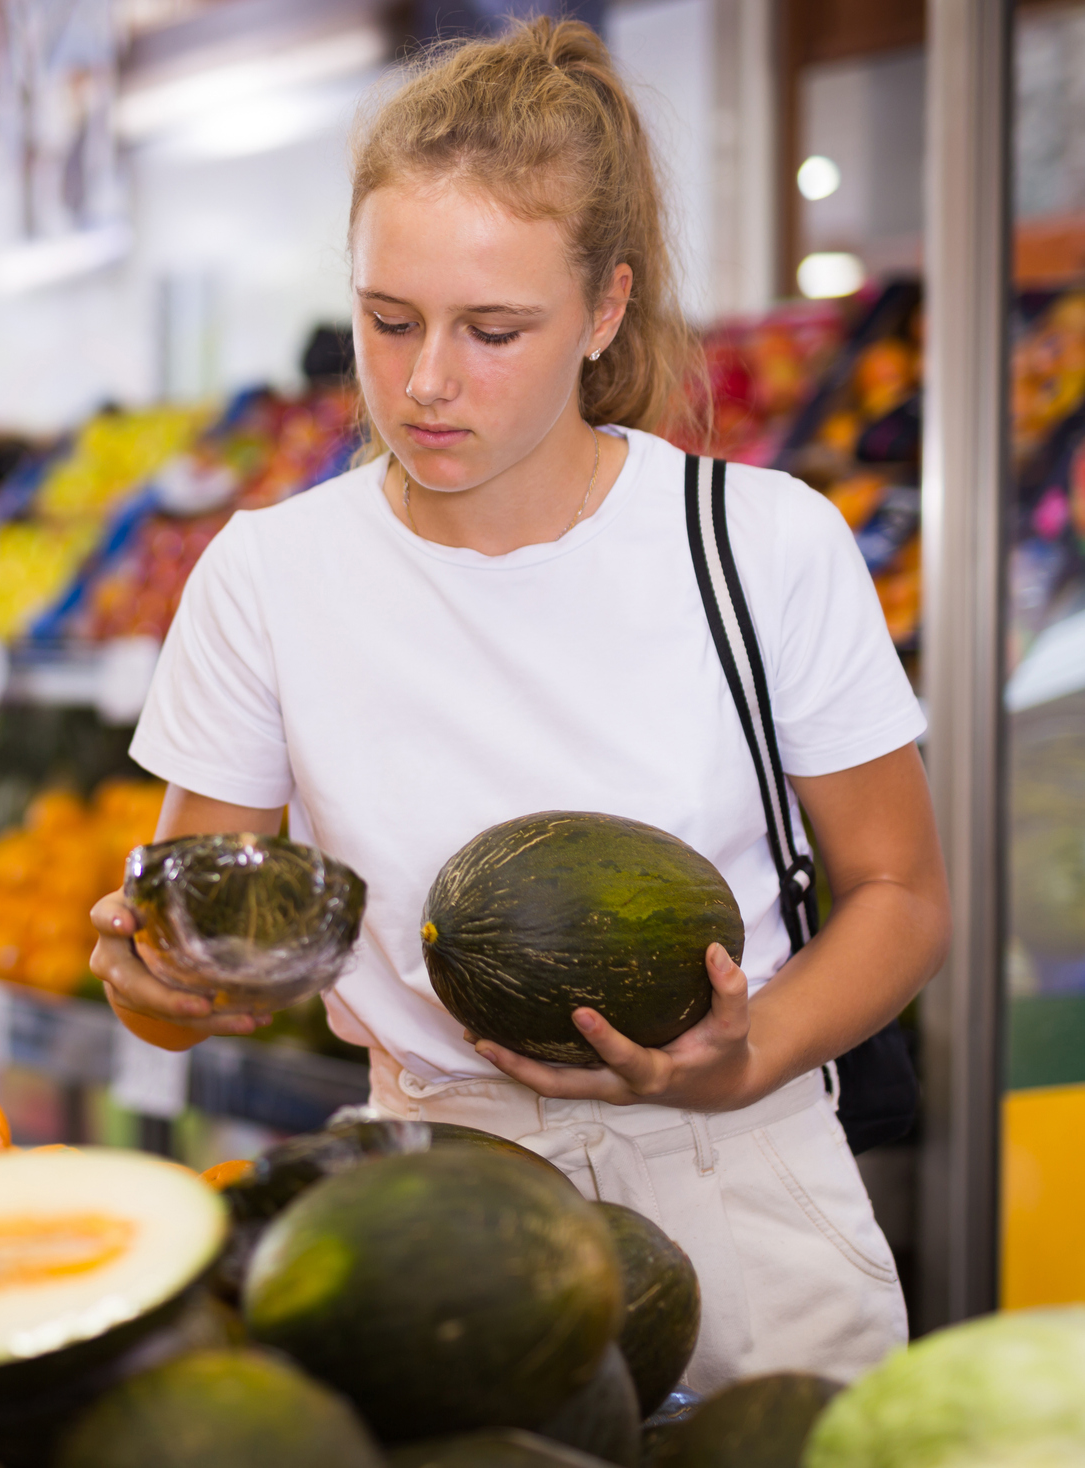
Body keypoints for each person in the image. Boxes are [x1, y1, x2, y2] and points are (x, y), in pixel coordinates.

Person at [90, 18, 947, 1391]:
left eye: (495, 330)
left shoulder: (761, 543)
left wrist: (740, 1057)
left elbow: (901, 893)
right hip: (428, 1212)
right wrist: (160, 987)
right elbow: (201, 949)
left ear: (605, 310)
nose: (427, 383)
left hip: (738, 1189)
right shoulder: (268, 574)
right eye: (388, 321)